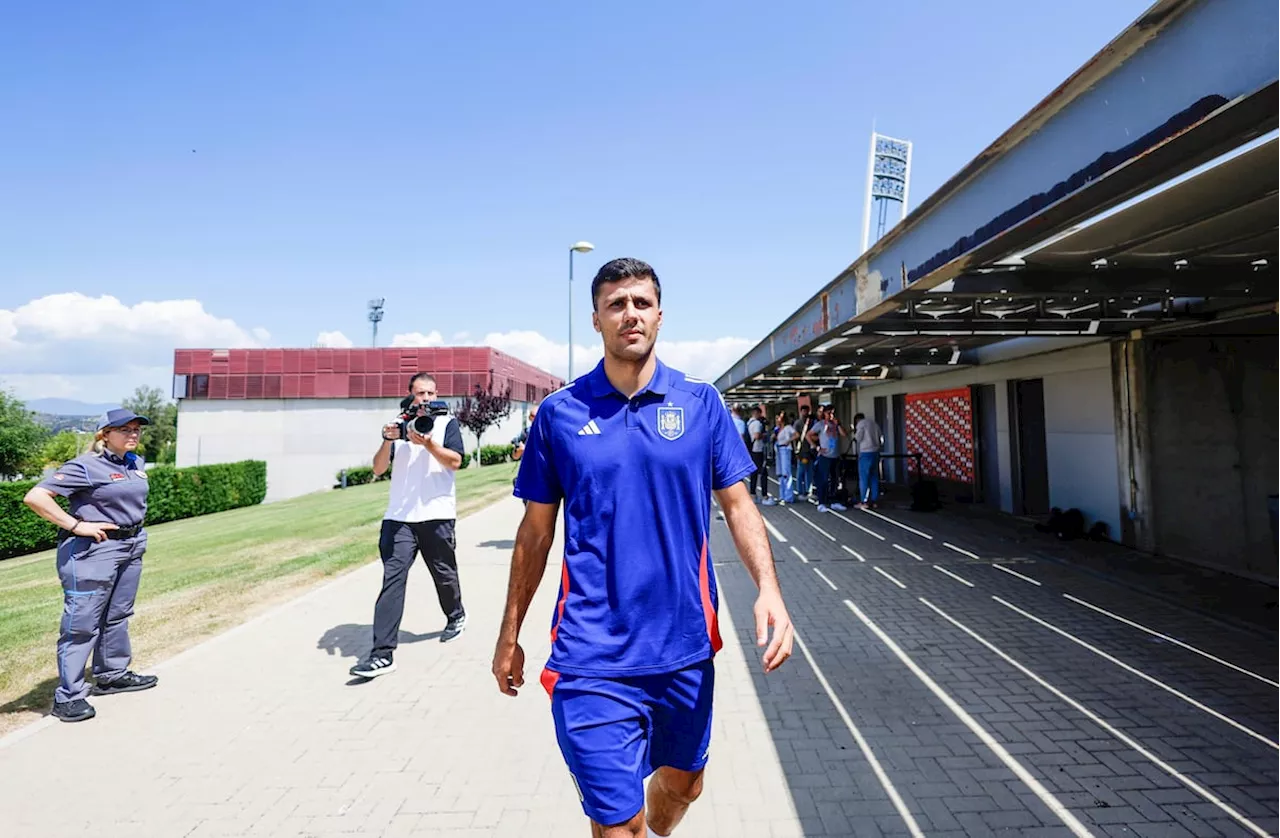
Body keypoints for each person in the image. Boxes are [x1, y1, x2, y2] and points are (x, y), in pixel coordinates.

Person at [492, 257, 795, 838]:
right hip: (590, 655)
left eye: (641, 302)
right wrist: (509, 635)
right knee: (619, 826)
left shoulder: (702, 403)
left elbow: (738, 505)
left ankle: (658, 812)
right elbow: (535, 533)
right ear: (596, 320)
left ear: (659, 314)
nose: (630, 314)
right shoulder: (560, 415)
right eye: (616, 304)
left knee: (683, 787)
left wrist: (770, 590)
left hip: (683, 646)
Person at [22, 409, 160, 723]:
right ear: (104, 435)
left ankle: (112, 675)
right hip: (93, 551)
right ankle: (68, 697)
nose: (133, 434)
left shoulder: (134, 463)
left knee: (118, 614)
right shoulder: (85, 466)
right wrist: (76, 525)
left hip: (130, 545)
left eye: (136, 429)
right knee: (82, 623)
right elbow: (36, 497)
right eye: (124, 429)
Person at [350, 372, 468, 679]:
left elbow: (455, 462)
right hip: (399, 519)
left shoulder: (446, 423)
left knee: (444, 575)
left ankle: (455, 615)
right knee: (393, 580)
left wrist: (428, 444)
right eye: (420, 393)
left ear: (436, 394)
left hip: (437, 514)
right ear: (410, 395)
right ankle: (382, 654)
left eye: (430, 392)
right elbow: (378, 469)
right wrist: (387, 439)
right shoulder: (397, 425)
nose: (426, 398)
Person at [807, 405, 847, 513]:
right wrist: (817, 447)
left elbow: (844, 434)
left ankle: (834, 501)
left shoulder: (835, 425)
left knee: (835, 480)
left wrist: (838, 424)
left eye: (832, 413)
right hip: (825, 456)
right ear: (824, 414)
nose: (831, 415)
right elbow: (808, 435)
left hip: (835, 456)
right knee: (823, 480)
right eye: (829, 413)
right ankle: (821, 502)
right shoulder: (820, 424)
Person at [853, 412, 884, 509]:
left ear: (857, 420)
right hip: (875, 453)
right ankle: (874, 501)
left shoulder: (861, 424)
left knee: (864, 478)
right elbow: (881, 439)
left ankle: (864, 501)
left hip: (865, 453)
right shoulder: (875, 424)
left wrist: (855, 432)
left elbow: (858, 438)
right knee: (874, 477)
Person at [772, 411, 797, 505]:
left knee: (786, 472)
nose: (777, 420)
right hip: (778, 450)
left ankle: (789, 496)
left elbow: (796, 434)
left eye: (778, 418)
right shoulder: (777, 429)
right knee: (780, 473)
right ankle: (782, 495)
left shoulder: (788, 428)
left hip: (785, 449)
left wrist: (788, 440)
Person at [746, 406, 769, 501]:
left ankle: (752, 493)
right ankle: (764, 495)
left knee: (753, 473)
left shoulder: (748, 423)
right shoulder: (757, 424)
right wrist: (765, 435)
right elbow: (757, 435)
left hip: (751, 450)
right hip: (758, 450)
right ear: (758, 413)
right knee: (764, 473)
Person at [793, 405, 815, 501]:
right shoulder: (798, 423)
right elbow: (794, 438)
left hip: (810, 451)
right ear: (801, 412)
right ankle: (800, 491)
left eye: (806, 411)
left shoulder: (812, 422)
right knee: (801, 472)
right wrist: (796, 451)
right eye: (803, 411)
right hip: (802, 451)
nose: (805, 413)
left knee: (809, 472)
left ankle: (807, 490)